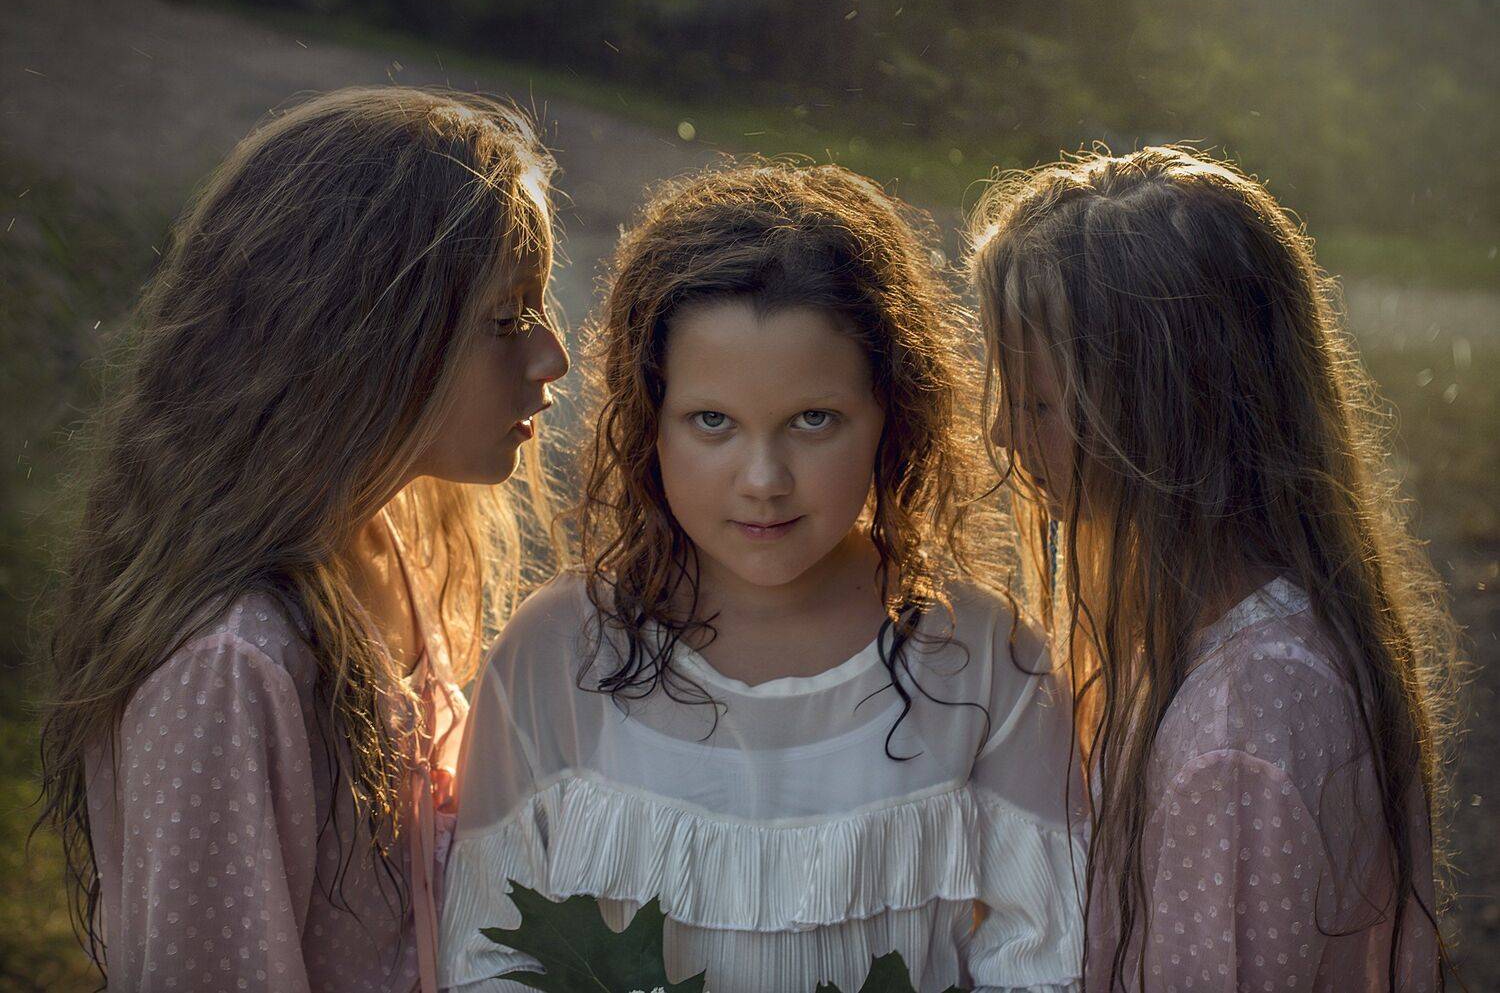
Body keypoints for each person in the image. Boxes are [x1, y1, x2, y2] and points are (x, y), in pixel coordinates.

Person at [439, 163, 1086, 993]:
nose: (763, 478)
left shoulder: (987, 662)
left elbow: (1046, 965)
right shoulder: (559, 655)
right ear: (651, 421)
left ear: (892, 414)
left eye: (813, 420)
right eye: (713, 421)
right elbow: (489, 957)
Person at [36, 85, 569, 993]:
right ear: (359, 334)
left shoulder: (394, 540)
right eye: (508, 318)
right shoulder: (229, 669)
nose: (552, 355)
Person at [968, 145, 1458, 992]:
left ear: (1166, 418)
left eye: (1041, 402)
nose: (1005, 433)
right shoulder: (1207, 634)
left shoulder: (1242, 726)